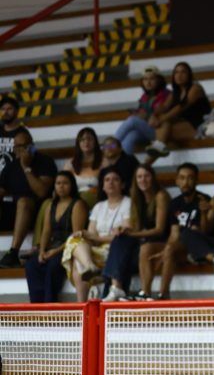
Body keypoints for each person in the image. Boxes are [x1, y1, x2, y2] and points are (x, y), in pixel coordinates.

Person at [102, 165, 171, 301]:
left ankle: (144, 292)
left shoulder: (160, 196)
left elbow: (159, 230)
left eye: (146, 176)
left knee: (141, 247)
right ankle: (116, 287)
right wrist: (124, 230)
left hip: (162, 242)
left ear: (153, 178)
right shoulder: (137, 198)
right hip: (145, 241)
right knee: (120, 239)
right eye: (139, 177)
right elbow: (137, 228)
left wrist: (132, 234)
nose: (143, 180)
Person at [63, 169, 130, 302]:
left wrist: (96, 238)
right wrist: (84, 234)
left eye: (115, 179)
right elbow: (91, 233)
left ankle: (81, 303)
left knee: (78, 261)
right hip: (96, 248)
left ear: (122, 185)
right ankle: (90, 267)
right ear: (103, 186)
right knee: (73, 239)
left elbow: (125, 235)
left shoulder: (129, 203)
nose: (111, 183)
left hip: (115, 250)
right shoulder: (99, 206)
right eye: (107, 180)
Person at [24, 171, 87, 303]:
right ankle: (37, 305)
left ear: (72, 185)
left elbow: (75, 236)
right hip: (51, 246)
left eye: (65, 183)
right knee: (31, 265)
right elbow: (46, 231)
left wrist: (55, 251)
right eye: (58, 183)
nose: (61, 186)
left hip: (69, 247)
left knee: (53, 265)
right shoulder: (51, 205)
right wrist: (42, 251)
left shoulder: (77, 204)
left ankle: (50, 303)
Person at [0, 127, 56, 268]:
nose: (20, 150)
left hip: (39, 212)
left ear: (32, 146)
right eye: (17, 147)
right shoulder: (11, 167)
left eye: (24, 146)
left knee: (23, 201)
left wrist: (26, 167)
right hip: (16, 213)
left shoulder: (45, 161)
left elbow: (41, 192)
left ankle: (13, 253)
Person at [156, 163, 209, 300]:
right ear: (177, 181)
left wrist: (168, 250)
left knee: (176, 244)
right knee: (146, 249)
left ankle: (163, 295)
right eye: (182, 178)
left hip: (200, 246)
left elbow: (202, 232)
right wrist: (166, 251)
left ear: (196, 180)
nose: (186, 182)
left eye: (190, 178)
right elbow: (174, 233)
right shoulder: (174, 203)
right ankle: (145, 292)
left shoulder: (204, 200)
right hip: (181, 248)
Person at [145, 62, 211, 159]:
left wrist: (160, 119)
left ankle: (147, 162)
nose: (179, 75)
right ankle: (153, 154)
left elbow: (181, 107)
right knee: (164, 127)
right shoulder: (175, 92)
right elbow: (164, 106)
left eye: (183, 72)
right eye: (176, 72)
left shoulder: (196, 88)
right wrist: (154, 115)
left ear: (189, 75)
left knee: (163, 131)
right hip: (183, 124)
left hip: (198, 125)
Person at [113, 67, 170, 156]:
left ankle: (108, 146)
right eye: (145, 79)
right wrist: (138, 114)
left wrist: (145, 116)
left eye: (152, 79)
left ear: (159, 80)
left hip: (160, 132)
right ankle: (123, 162)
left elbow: (162, 116)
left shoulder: (167, 94)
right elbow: (143, 114)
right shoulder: (145, 96)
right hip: (147, 130)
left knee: (132, 120)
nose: (148, 82)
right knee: (132, 136)